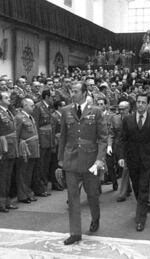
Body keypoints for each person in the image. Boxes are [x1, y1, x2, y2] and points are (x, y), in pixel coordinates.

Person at [57, 81, 107, 245]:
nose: (73, 94)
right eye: (71, 91)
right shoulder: (65, 111)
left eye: (76, 91)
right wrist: (60, 159)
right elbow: (63, 136)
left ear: (85, 93)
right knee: (72, 197)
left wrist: (100, 159)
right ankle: (75, 232)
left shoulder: (96, 111)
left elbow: (102, 138)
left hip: (90, 160)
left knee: (92, 194)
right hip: (71, 159)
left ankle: (95, 217)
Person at [118, 93, 150, 232]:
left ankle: (140, 219)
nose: (141, 104)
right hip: (132, 160)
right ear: (135, 103)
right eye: (139, 102)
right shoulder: (128, 120)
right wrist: (121, 156)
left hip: (148, 160)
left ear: (148, 104)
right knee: (136, 187)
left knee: (144, 187)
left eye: (144, 102)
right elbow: (122, 140)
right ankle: (141, 205)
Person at [0, 92, 19, 213]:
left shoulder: (7, 111)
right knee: (1, 177)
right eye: (6, 98)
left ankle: (7, 201)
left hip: (11, 147)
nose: (9, 99)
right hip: (2, 148)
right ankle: (0, 202)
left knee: (8, 177)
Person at [15, 98, 40, 203]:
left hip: (33, 148)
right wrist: (17, 150)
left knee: (29, 173)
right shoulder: (19, 118)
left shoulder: (30, 117)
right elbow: (16, 135)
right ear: (25, 105)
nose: (33, 107)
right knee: (22, 172)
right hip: (24, 148)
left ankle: (28, 192)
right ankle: (22, 195)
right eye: (31, 105)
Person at [32, 90, 53, 197]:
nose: (53, 99)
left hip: (48, 139)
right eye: (51, 97)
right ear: (46, 97)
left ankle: (44, 186)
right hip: (41, 138)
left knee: (46, 165)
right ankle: (39, 188)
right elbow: (35, 123)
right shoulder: (38, 106)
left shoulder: (48, 107)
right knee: (40, 165)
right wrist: (37, 140)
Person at [110, 101, 132, 202]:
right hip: (118, 148)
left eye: (123, 109)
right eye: (120, 109)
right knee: (121, 168)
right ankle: (128, 188)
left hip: (130, 148)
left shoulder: (133, 119)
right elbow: (111, 133)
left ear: (129, 109)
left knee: (125, 169)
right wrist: (109, 145)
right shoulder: (115, 118)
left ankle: (122, 193)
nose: (121, 111)